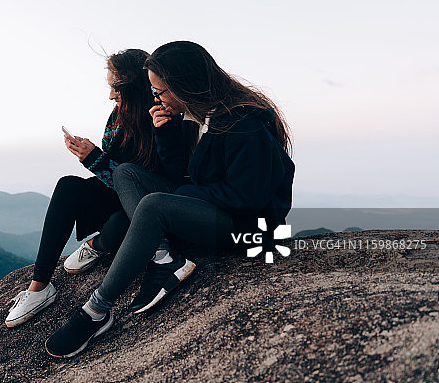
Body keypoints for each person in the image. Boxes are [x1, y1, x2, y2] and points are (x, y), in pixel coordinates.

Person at [45, 41, 295, 358]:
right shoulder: (197, 116)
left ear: (183, 86)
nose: (156, 98)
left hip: (250, 228)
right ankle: (163, 257)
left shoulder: (243, 125)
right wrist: (164, 133)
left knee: (154, 205)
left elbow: (248, 198)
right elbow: (183, 173)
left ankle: (97, 310)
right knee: (125, 173)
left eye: (159, 92)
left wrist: (180, 197)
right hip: (215, 210)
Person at [5, 49, 185, 328]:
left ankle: (98, 244)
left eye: (115, 87)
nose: (111, 95)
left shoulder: (160, 118)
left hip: (142, 205)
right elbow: (116, 172)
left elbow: (142, 185)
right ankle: (39, 288)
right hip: (116, 195)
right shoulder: (119, 116)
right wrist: (93, 157)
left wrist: (95, 159)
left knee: (117, 226)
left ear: (132, 87)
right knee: (68, 186)